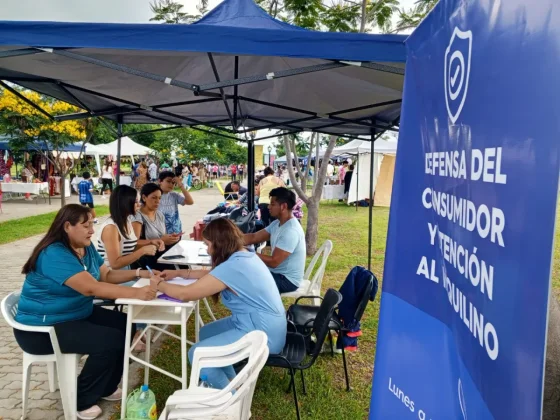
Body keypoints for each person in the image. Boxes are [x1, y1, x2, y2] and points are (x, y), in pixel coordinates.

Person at [13, 204, 158, 419]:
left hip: (74, 314)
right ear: (67, 227)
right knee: (110, 340)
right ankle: (79, 400)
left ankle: (105, 387)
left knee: (125, 324)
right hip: (42, 329)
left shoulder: (85, 246)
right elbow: (91, 287)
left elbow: (106, 275)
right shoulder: (54, 253)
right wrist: (138, 294)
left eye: (92, 224)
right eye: (85, 225)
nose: (92, 230)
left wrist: (140, 274)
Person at [153, 218, 287, 389]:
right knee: (206, 333)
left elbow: (184, 294)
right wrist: (178, 273)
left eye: (208, 245)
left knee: (197, 354)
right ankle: (233, 384)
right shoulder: (242, 255)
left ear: (220, 244)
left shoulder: (233, 266)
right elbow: (212, 275)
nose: (208, 251)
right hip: (261, 324)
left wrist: (158, 284)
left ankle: (230, 400)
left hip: (263, 334)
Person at [244, 187, 306, 293]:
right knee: (244, 274)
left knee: (245, 282)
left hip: (287, 280)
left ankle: (261, 308)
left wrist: (247, 254)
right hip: (276, 273)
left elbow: (274, 262)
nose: (268, 207)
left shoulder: (290, 231)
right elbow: (253, 237)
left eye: (272, 204)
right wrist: (231, 240)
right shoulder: (277, 223)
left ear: (283, 206)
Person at [97, 185, 163, 270]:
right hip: (110, 274)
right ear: (125, 203)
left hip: (125, 270)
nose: (139, 205)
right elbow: (115, 264)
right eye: (136, 202)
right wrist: (143, 251)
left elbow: (130, 247)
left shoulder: (127, 220)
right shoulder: (111, 227)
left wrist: (151, 243)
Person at [132, 183, 182, 270]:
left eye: (159, 198)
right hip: (147, 260)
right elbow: (134, 244)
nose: (157, 201)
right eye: (154, 198)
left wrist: (170, 238)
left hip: (160, 255)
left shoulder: (159, 214)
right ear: (144, 198)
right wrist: (160, 240)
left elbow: (162, 236)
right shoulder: (137, 217)